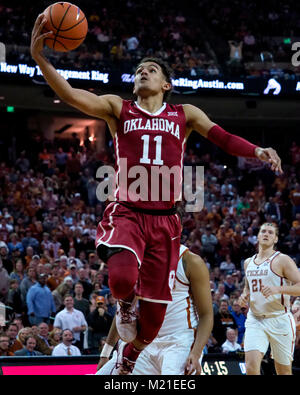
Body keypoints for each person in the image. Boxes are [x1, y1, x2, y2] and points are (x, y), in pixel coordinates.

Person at [31, 15, 282, 374]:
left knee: (151, 324)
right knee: (119, 280)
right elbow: (71, 95)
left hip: (165, 220)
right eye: (139, 70)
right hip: (128, 211)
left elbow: (222, 137)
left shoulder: (185, 114)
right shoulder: (118, 109)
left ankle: (130, 357)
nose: (143, 73)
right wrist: (41, 58)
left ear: (166, 84)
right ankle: (125, 307)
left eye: (151, 70)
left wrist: (256, 150)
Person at [96, 245, 213, 375]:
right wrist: (105, 354)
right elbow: (124, 311)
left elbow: (206, 315)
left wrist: (196, 354)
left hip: (179, 342)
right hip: (143, 343)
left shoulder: (190, 261)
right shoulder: (136, 259)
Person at [238, 222, 300, 375]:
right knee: (251, 368)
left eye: (270, 233)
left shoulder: (283, 260)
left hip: (279, 319)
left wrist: (278, 289)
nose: (266, 234)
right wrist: (244, 295)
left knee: (283, 372)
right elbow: (248, 286)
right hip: (256, 319)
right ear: (258, 236)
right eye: (263, 231)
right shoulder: (248, 263)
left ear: (276, 239)